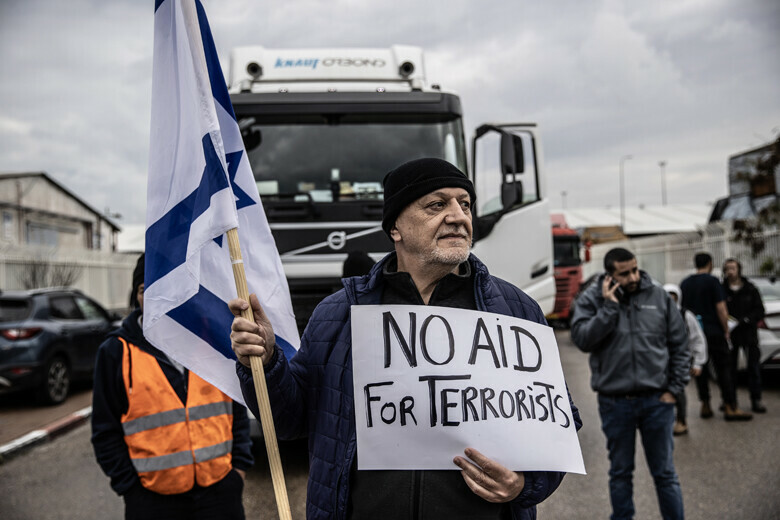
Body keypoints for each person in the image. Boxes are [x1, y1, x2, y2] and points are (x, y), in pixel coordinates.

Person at [230, 158, 582, 520]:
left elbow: (557, 426)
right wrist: (268, 362)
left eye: (465, 204)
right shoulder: (338, 314)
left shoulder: (514, 310)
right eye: (437, 204)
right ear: (395, 227)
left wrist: (525, 485)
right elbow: (289, 421)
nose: (458, 216)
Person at [91, 254, 253, 520]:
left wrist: (238, 470)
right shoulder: (115, 352)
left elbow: (236, 406)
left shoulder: (214, 340)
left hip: (220, 494)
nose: (155, 299)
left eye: (163, 289)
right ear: (136, 296)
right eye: (145, 290)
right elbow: (105, 432)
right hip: (153, 502)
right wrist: (131, 489)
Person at [571, 247, 689, 520]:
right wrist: (609, 308)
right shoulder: (593, 299)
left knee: (665, 474)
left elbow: (680, 345)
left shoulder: (658, 296)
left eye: (635, 269)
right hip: (615, 403)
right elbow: (582, 339)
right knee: (620, 472)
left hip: (657, 401)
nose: (634, 277)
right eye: (625, 273)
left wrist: (674, 390)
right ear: (610, 275)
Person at [680, 252, 752, 421]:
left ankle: (705, 403)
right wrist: (726, 329)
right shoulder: (713, 282)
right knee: (723, 369)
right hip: (714, 332)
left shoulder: (685, 283)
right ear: (710, 264)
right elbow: (721, 308)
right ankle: (730, 406)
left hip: (694, 333)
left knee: (700, 368)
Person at [722, 258, 767, 413]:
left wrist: (747, 319)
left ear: (739, 269)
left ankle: (756, 399)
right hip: (731, 335)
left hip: (749, 334)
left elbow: (760, 310)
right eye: (727, 268)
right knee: (730, 369)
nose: (730, 271)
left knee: (753, 368)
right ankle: (730, 400)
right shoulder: (723, 289)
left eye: (733, 268)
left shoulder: (750, 289)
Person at [663, 283, 708, 435]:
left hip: (679, 360)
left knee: (678, 390)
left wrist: (698, 362)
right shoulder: (656, 315)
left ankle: (681, 421)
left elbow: (697, 339)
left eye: (673, 297)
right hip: (660, 362)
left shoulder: (686, 315)